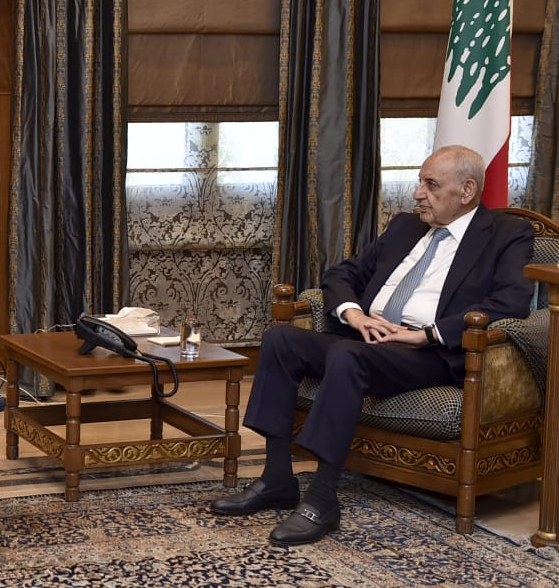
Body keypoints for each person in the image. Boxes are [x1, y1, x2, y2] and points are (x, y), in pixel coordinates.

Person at [210, 145, 534, 545]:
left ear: (467, 190)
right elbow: (342, 274)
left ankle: (322, 498)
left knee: (347, 355)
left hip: (426, 352)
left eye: (431, 185)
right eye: (420, 182)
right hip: (365, 338)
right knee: (279, 339)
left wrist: (426, 333)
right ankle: (276, 478)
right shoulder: (405, 227)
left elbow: (511, 302)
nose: (418, 193)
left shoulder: (507, 235)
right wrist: (354, 315)